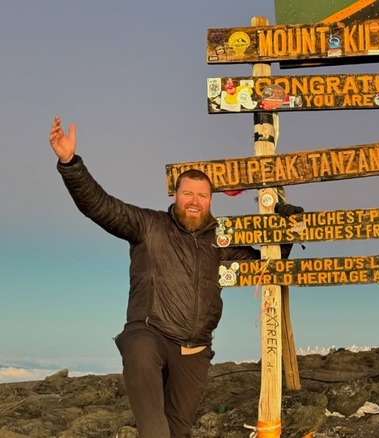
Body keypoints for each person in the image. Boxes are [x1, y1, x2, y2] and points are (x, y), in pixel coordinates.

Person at [48, 116, 303, 438]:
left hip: (195, 349)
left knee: (179, 428)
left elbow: (266, 263)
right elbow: (99, 206)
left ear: (211, 201)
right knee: (155, 427)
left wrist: (284, 230)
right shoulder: (148, 226)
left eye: (202, 196)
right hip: (150, 335)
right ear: (176, 196)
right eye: (188, 194)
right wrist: (70, 163)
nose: (195, 201)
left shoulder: (218, 241)